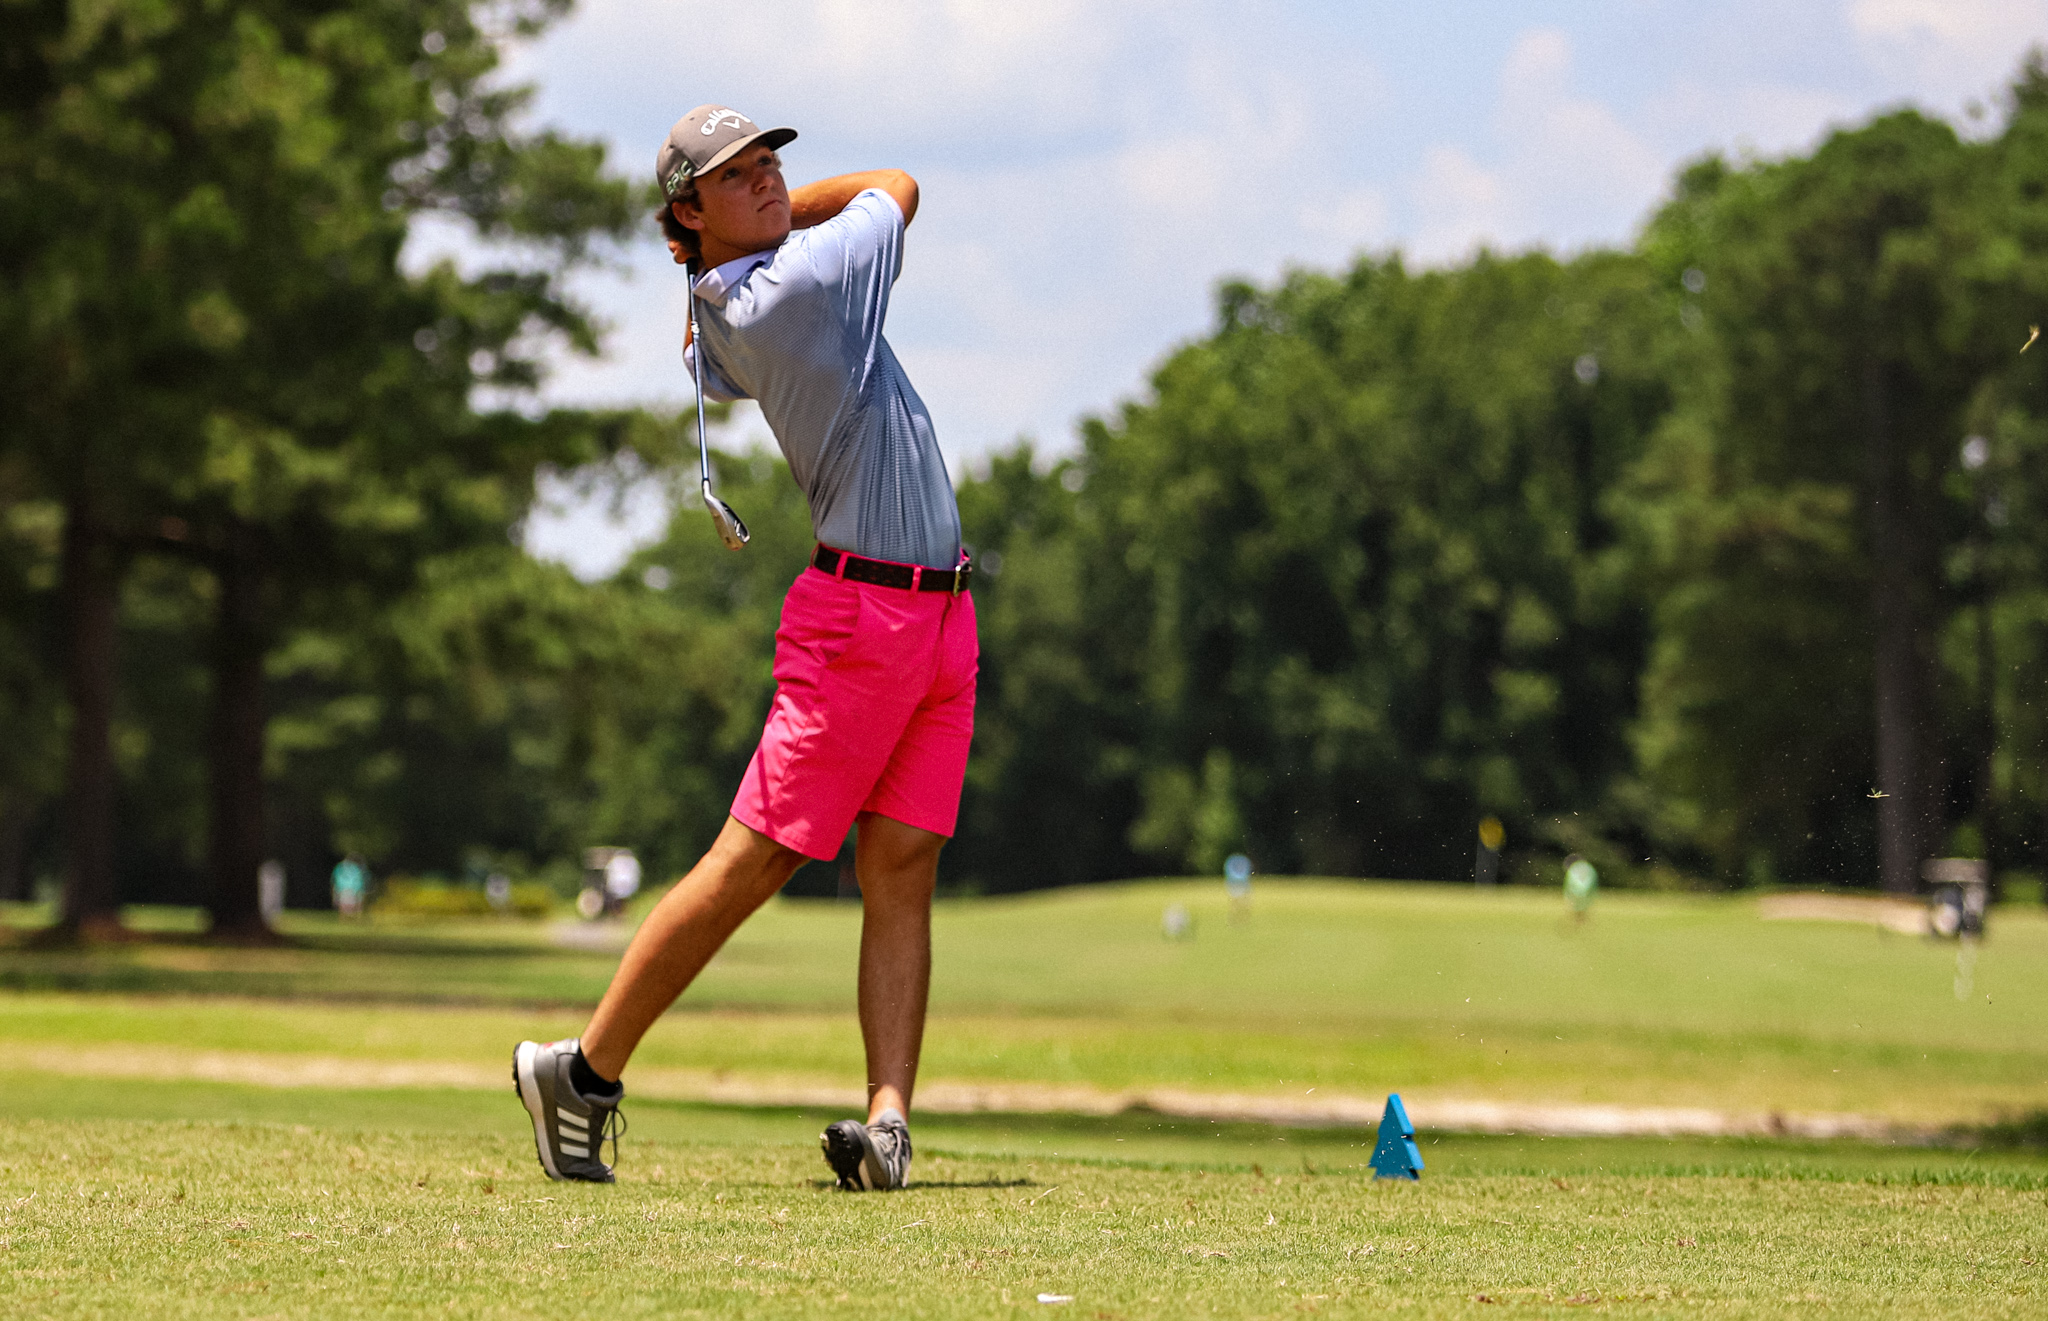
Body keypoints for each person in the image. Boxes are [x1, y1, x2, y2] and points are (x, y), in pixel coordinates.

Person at [512, 105, 976, 1193]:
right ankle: (581, 1071)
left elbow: (702, 349)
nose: (770, 182)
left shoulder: (733, 296)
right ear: (686, 208)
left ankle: (887, 1123)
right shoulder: (792, 289)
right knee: (754, 857)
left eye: (772, 164)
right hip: (860, 618)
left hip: (940, 613)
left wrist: (715, 242)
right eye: (739, 174)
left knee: (901, 867)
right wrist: (757, 234)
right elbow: (897, 183)